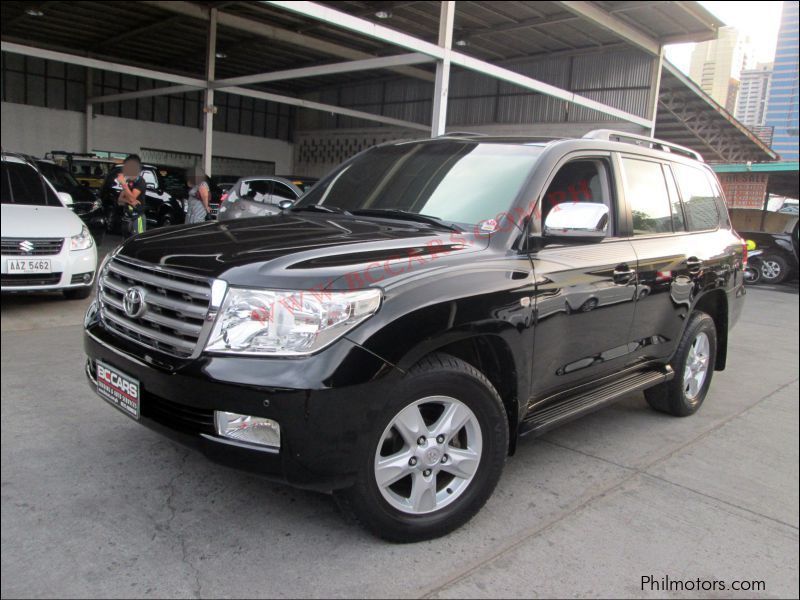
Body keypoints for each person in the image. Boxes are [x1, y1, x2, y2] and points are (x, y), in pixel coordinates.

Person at [117, 154, 147, 236]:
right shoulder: (128, 181)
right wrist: (130, 202)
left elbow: (132, 198)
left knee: (139, 241)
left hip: (137, 217)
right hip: (127, 218)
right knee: (127, 243)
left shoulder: (140, 181)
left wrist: (123, 183)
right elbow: (120, 200)